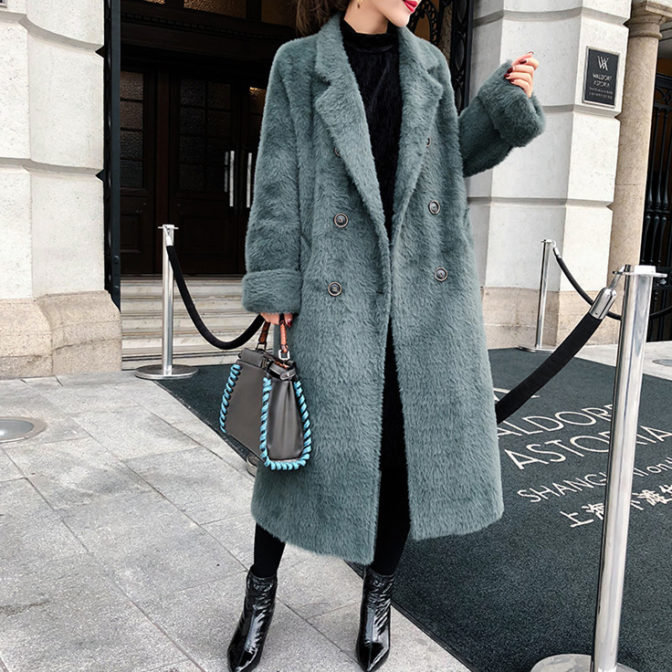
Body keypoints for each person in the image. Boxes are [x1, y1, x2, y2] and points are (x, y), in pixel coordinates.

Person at [227, 1, 542, 671]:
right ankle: (260, 593)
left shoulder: (429, 65)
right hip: (335, 296)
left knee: (403, 453)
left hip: (422, 297)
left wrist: (500, 107)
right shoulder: (299, 64)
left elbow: (448, 159)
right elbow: (277, 180)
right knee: (292, 453)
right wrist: (276, 284)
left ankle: (378, 593)